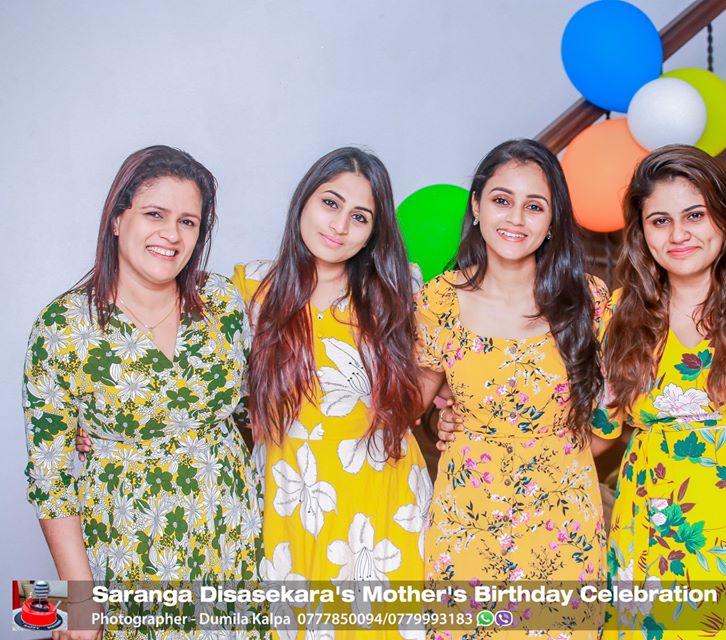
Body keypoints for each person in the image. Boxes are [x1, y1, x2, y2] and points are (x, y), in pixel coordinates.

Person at [22, 146, 262, 639]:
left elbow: (251, 413)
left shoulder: (222, 302)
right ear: (117, 218)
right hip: (128, 551)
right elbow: (51, 478)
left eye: (188, 222)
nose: (172, 234)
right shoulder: (63, 327)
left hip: (232, 545)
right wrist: (79, 602)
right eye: (155, 214)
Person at [593, 145, 726, 639]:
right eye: (660, 221)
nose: (678, 234)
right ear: (642, 233)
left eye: (695, 215)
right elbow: (599, 431)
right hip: (648, 538)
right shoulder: (619, 314)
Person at [231, 147, 430, 640]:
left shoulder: (398, 290)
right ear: (304, 200)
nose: (340, 226)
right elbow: (203, 381)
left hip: (383, 497)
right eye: (330, 203)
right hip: (289, 496)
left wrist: (439, 412)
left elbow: (441, 369)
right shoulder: (251, 288)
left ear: (374, 231)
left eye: (360, 217)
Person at [415, 139, 608, 639]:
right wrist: (440, 418)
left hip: (563, 526)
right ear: (476, 206)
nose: (516, 218)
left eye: (534, 206)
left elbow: (611, 416)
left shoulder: (589, 300)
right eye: (502, 200)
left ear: (552, 220)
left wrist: (550, 458)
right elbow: (415, 399)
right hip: (467, 522)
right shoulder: (439, 299)